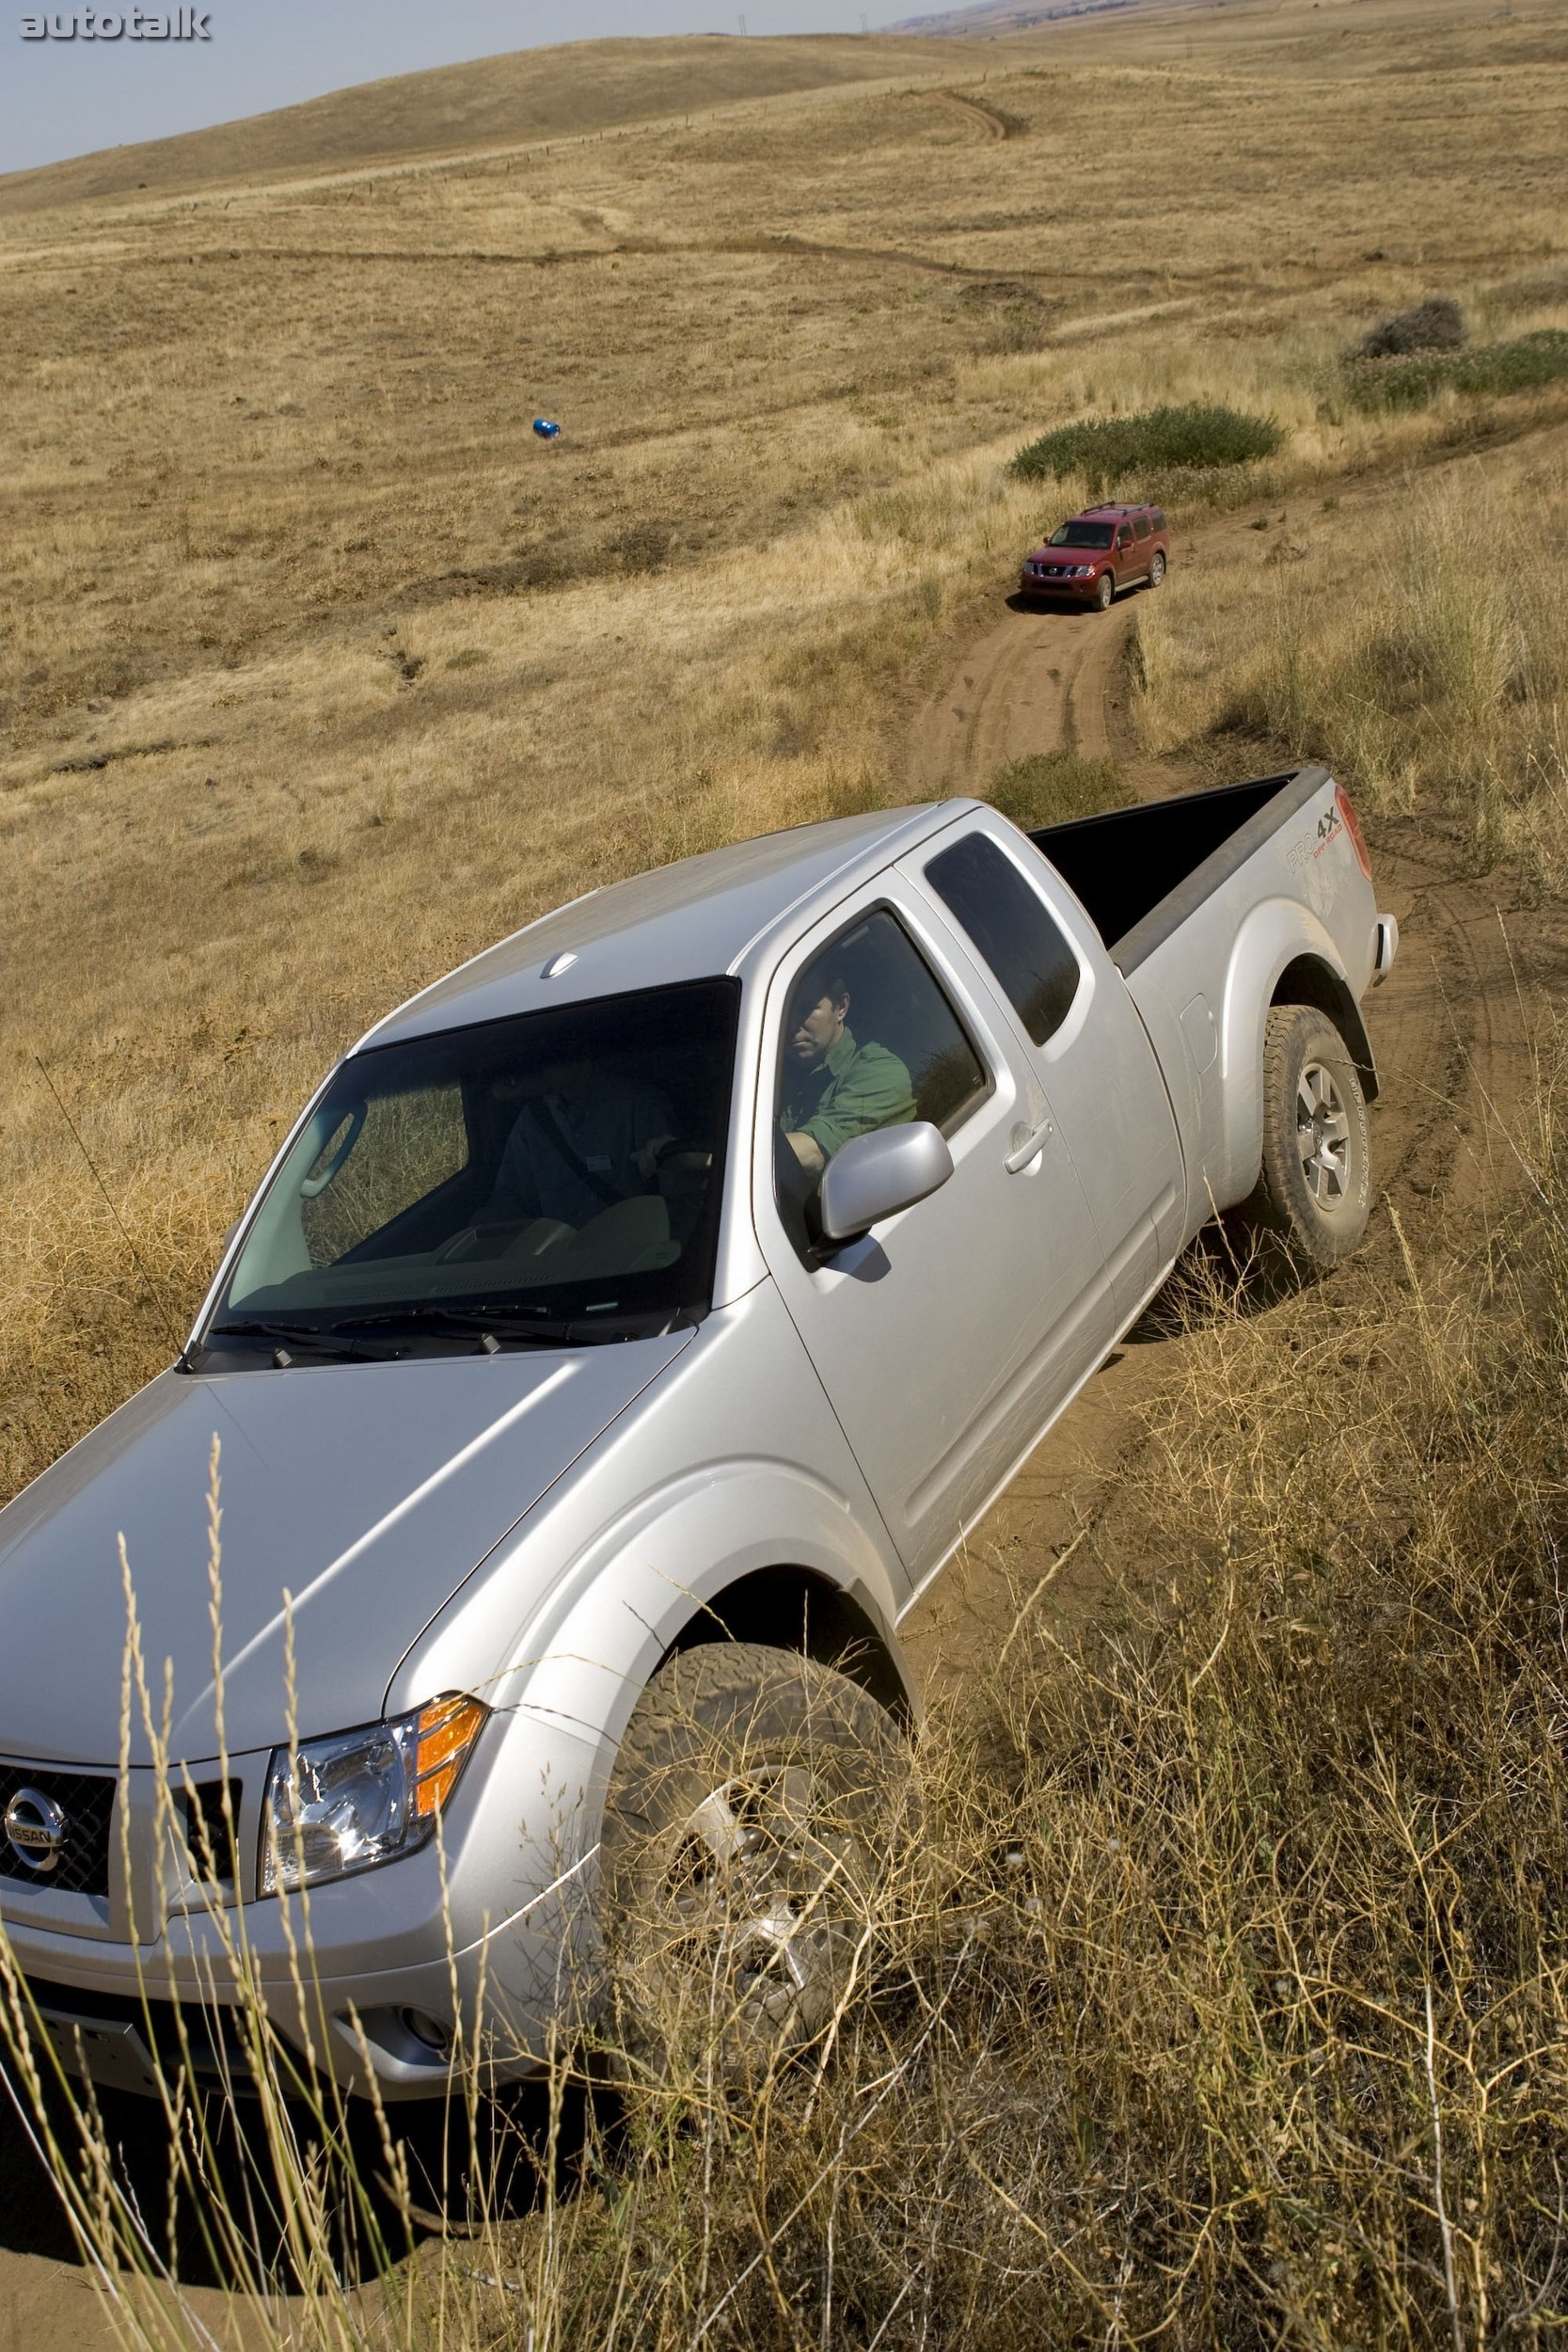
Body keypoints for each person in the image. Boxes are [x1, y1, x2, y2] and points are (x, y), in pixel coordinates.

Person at [484, 1057, 677, 1230]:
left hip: (637, 1256)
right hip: (563, 1262)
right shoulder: (532, 1120)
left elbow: (680, 1196)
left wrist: (666, 1159)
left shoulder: (637, 1103)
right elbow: (509, 1201)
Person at [778, 966, 914, 1175]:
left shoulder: (880, 1071)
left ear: (841, 1007)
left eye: (806, 1008)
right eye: (783, 1012)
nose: (791, 1024)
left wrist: (725, 1156)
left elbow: (813, 1153)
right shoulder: (770, 1075)